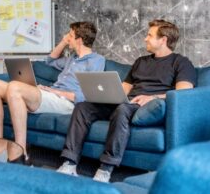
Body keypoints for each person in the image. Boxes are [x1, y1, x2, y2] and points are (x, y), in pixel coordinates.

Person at [57, 19, 196, 182]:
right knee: (82, 107)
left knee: (122, 109)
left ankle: (105, 169)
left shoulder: (181, 62)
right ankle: (70, 163)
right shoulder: (140, 62)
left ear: (163, 40)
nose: (145, 38)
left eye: (150, 35)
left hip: (146, 106)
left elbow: (183, 92)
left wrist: (152, 97)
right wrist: (105, 95)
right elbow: (123, 89)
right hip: (126, 102)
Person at [0, 22, 105, 161]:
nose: (67, 37)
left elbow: (86, 95)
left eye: (70, 35)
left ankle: (21, 150)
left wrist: (55, 92)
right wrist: (63, 42)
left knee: (14, 87)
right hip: (52, 96)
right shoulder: (71, 59)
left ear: (79, 40)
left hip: (66, 103)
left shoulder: (96, 60)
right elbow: (49, 60)